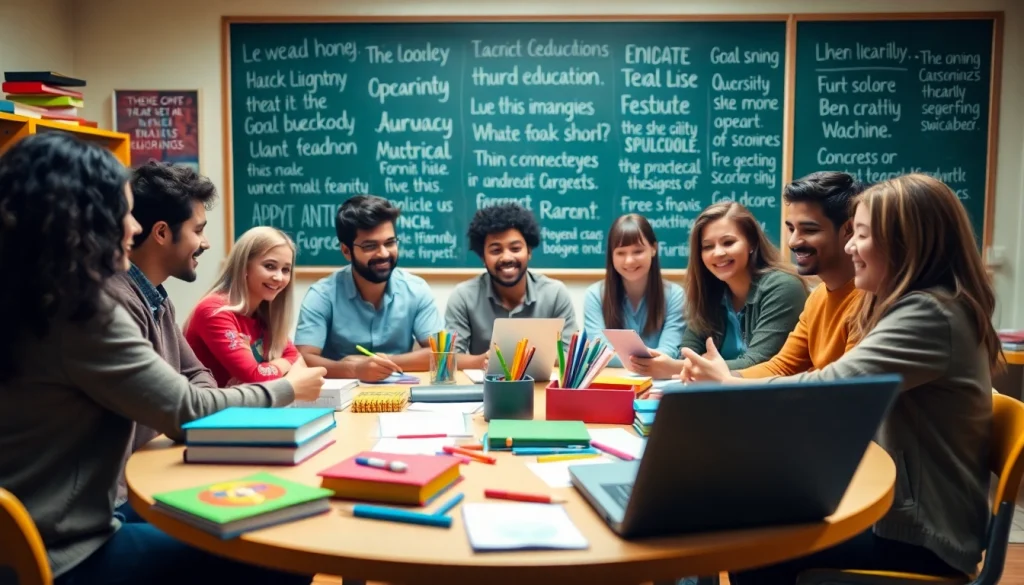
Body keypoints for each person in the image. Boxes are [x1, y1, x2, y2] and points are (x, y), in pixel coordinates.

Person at [0, 132, 324, 585]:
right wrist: (290, 386)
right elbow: (189, 410)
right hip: (66, 555)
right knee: (286, 551)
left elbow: (193, 385)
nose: (132, 229)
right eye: (123, 213)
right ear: (83, 219)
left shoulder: (31, 299)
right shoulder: (82, 314)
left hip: (22, 544)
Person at [682, 174, 998, 584]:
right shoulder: (911, 305)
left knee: (754, 543)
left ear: (906, 242)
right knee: (750, 517)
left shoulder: (928, 314)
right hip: (894, 509)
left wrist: (728, 385)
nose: (850, 247)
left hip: (922, 534)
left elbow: (832, 388)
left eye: (861, 234)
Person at [105, 161, 218, 523]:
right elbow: (181, 407)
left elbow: (198, 374)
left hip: (160, 472)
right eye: (198, 230)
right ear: (161, 233)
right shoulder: (115, 302)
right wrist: (287, 388)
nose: (205, 243)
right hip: (128, 496)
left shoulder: (156, 296)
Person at [630, 202, 807, 378]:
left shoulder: (783, 287)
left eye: (728, 242)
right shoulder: (708, 292)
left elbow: (760, 362)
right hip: (720, 397)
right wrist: (690, 363)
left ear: (751, 243)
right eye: (708, 247)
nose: (718, 253)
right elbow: (687, 353)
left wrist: (675, 368)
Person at [296, 195, 444, 381]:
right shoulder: (322, 295)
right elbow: (303, 359)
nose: (383, 254)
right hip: (340, 398)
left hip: (402, 395)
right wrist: (352, 370)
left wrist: (384, 363)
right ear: (346, 251)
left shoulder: (416, 289)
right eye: (370, 246)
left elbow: (441, 353)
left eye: (390, 243)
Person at [737, 171, 867, 378]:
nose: (793, 242)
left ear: (848, 230)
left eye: (809, 230)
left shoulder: (870, 301)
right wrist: (719, 379)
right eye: (791, 229)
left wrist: (726, 382)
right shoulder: (818, 297)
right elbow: (783, 366)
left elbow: (845, 388)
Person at [445, 203, 578, 368]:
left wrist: (524, 359)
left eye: (515, 248)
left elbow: (571, 356)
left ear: (529, 251)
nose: (506, 257)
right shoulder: (463, 297)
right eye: (495, 250)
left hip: (541, 389)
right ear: (483, 258)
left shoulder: (555, 294)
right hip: (485, 390)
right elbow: (448, 357)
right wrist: (481, 361)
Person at [184, 226, 302, 386]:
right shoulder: (214, 310)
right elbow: (253, 376)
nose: (279, 277)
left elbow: (299, 362)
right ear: (244, 266)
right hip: (211, 409)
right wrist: (279, 366)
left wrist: (265, 371)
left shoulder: (264, 314)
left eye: (286, 269)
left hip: (247, 408)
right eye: (269, 266)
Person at [583, 214, 686, 369]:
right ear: (611, 255)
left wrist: (621, 358)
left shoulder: (675, 295)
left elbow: (669, 353)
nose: (629, 260)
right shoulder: (595, 295)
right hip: (614, 384)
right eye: (621, 253)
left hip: (660, 384)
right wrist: (648, 360)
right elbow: (599, 354)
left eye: (637, 251)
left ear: (653, 249)